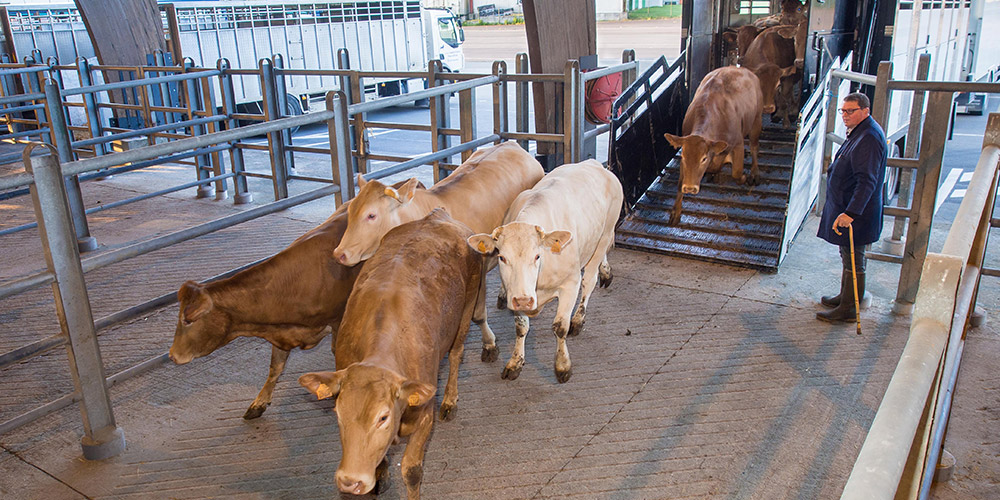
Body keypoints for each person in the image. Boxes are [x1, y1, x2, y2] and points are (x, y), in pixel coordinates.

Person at [816, 92, 887, 323]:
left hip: (857, 213)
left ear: (865, 111)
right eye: (843, 111)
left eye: (850, 111)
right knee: (847, 253)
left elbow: (867, 180)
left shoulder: (869, 138)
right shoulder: (861, 132)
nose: (845, 115)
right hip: (846, 207)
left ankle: (849, 308)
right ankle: (846, 297)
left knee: (855, 257)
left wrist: (851, 213)